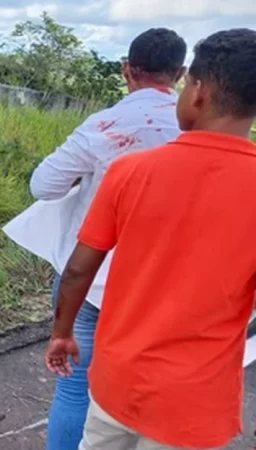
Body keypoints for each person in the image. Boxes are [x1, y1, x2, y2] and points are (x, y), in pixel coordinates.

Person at [45, 28, 256, 450]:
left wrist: (62, 332)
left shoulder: (131, 171)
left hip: (116, 384)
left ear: (196, 89)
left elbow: (78, 269)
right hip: (195, 405)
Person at [2, 28, 187, 450]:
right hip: (158, 289)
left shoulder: (104, 125)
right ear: (180, 74)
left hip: (90, 283)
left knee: (74, 390)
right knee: (141, 396)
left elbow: (43, 185)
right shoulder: (192, 131)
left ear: (127, 69)